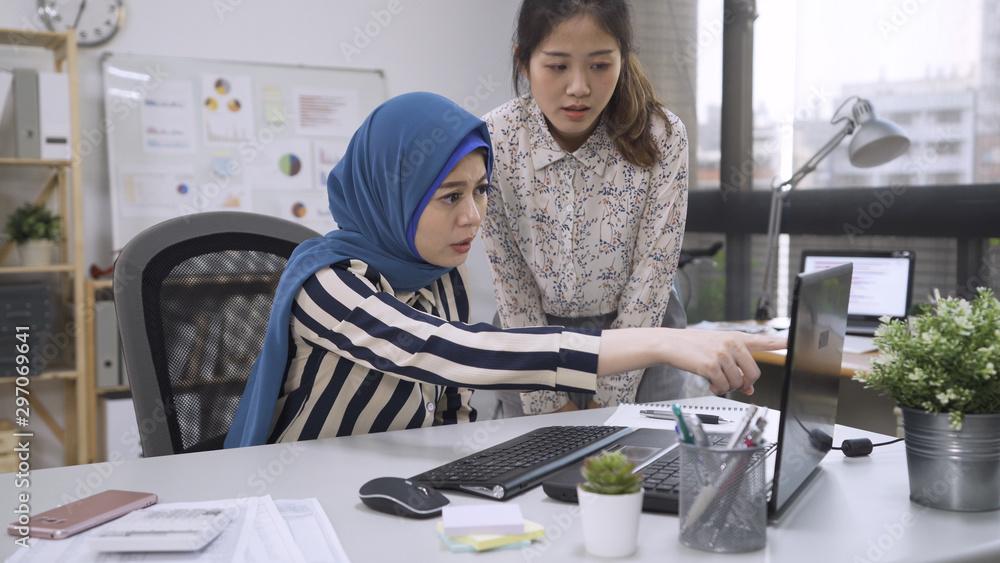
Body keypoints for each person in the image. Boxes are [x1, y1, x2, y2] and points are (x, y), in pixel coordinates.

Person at [225, 92, 784, 448]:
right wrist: (658, 341)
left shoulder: (437, 274)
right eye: (449, 197)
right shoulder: (331, 285)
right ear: (393, 196)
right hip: (306, 500)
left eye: (482, 190)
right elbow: (460, 356)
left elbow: (452, 409)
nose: (473, 216)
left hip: (389, 484)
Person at [482, 0, 700, 417]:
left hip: (644, 332)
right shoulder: (495, 137)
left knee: (644, 472)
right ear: (523, 62)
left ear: (623, 58)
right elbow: (509, 277)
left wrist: (610, 398)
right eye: (558, 66)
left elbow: (653, 273)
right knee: (531, 471)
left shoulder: (663, 135)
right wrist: (547, 400)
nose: (579, 87)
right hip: (530, 335)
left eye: (600, 65)